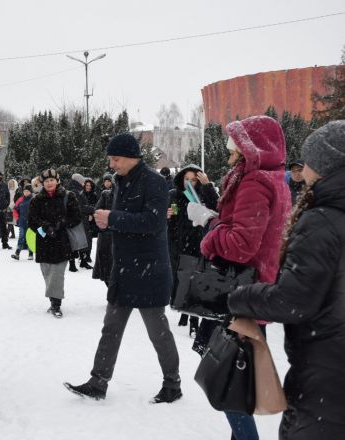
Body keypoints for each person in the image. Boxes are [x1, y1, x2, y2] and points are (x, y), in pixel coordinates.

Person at [228, 121, 345, 440]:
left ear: (324, 167)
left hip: (328, 375)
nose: (302, 172)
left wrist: (240, 297)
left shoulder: (322, 220)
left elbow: (293, 301)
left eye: (308, 163)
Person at [64, 133, 182, 404]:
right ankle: (98, 381)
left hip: (149, 269)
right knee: (111, 327)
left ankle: (172, 384)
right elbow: (127, 220)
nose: (112, 164)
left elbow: (153, 222)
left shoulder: (154, 182)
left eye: (115, 159)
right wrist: (107, 222)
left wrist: (113, 217)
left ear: (131, 157)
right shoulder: (118, 182)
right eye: (111, 159)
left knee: (157, 331)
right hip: (124, 268)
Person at [197, 116, 291, 440]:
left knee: (227, 378)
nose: (229, 156)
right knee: (233, 375)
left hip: (242, 294)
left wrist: (210, 232)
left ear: (251, 149)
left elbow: (241, 245)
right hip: (255, 290)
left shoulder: (255, 181)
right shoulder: (275, 179)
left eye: (233, 149)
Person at [166, 164, 218, 337]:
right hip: (180, 243)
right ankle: (184, 312)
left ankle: (194, 321)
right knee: (183, 280)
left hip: (200, 242)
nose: (189, 183)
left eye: (193, 180)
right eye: (186, 179)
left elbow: (217, 209)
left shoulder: (203, 194)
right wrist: (167, 216)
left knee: (196, 281)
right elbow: (171, 221)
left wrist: (207, 185)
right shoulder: (174, 195)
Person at [27, 169, 81, 318]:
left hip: (62, 241)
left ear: (57, 180)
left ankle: (55, 304)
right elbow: (31, 220)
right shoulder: (36, 199)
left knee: (57, 274)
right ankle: (53, 298)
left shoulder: (69, 196)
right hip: (44, 241)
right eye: (46, 181)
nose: (49, 183)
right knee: (47, 273)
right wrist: (44, 226)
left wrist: (60, 224)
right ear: (42, 183)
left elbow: (76, 216)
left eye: (52, 180)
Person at [67, 173, 94, 271]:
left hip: (79, 219)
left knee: (81, 241)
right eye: (82, 181)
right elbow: (80, 207)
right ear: (78, 182)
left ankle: (82, 261)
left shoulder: (77, 191)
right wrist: (92, 209)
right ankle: (72, 264)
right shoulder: (75, 192)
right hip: (77, 220)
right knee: (75, 242)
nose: (84, 183)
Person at [91, 174, 114, 285]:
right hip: (106, 234)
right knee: (106, 264)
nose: (107, 183)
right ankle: (111, 291)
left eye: (109, 181)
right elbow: (97, 211)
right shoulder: (105, 194)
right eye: (105, 181)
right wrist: (103, 226)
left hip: (120, 235)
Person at [10, 184, 34, 261]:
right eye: (24, 191)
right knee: (21, 237)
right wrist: (17, 218)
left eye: (27, 191)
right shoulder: (20, 199)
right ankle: (17, 253)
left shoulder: (34, 199)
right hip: (22, 222)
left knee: (30, 238)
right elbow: (15, 209)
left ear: (30, 192)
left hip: (31, 223)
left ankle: (31, 253)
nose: (26, 192)